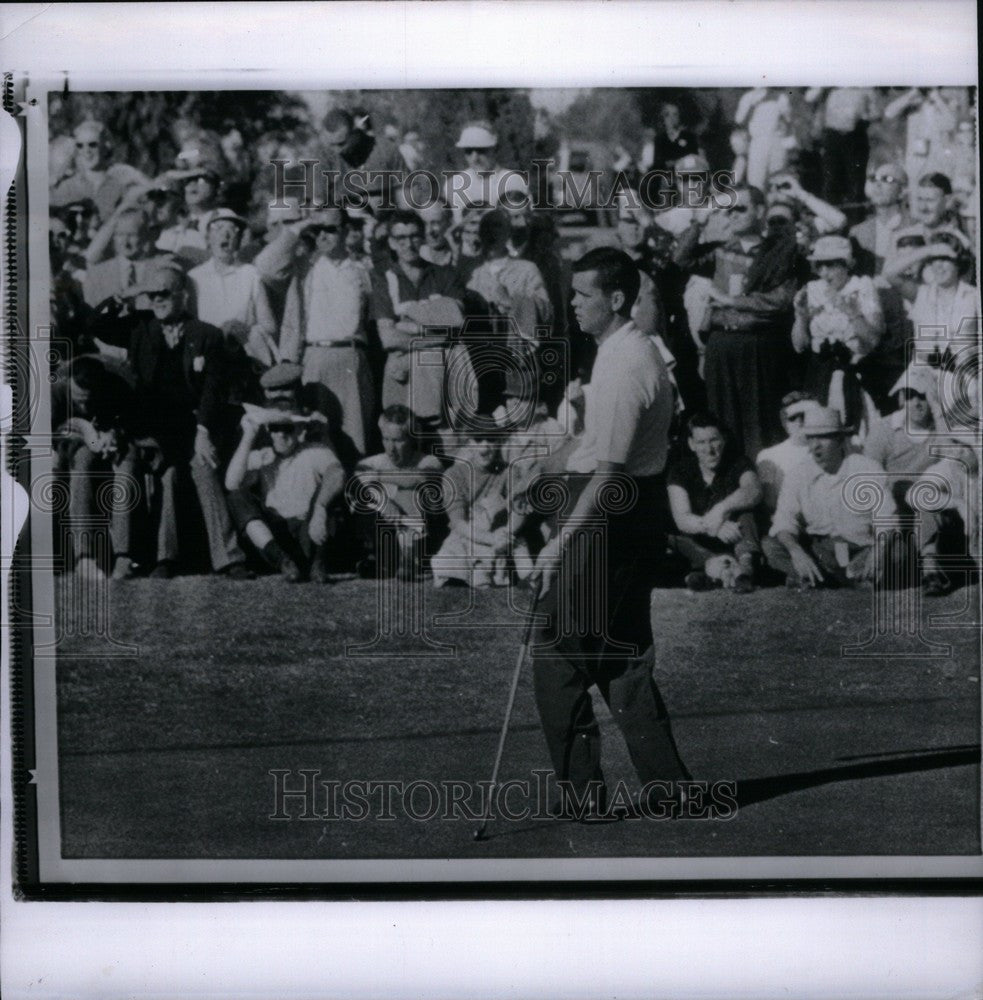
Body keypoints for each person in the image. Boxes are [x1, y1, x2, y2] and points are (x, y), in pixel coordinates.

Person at [532, 247, 690, 821]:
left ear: (615, 300)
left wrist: (558, 543)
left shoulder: (625, 364)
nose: (572, 304)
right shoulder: (620, 351)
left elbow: (609, 474)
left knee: (557, 652)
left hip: (610, 516)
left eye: (582, 295)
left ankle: (583, 797)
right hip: (627, 512)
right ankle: (671, 790)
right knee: (620, 653)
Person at [127, 261, 251, 579]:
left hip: (196, 425)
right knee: (167, 475)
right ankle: (165, 558)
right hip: (159, 430)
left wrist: (203, 431)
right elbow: (97, 325)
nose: (157, 299)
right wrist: (129, 292)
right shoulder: (142, 332)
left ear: (183, 295)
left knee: (203, 465)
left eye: (164, 292)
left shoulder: (206, 335)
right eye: (151, 293)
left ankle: (229, 557)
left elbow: (212, 390)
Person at [676, 184, 799, 459]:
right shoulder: (719, 251)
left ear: (760, 211)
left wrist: (732, 301)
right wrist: (700, 219)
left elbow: (780, 300)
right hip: (722, 346)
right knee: (723, 425)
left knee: (761, 426)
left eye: (740, 208)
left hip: (758, 347)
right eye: (729, 209)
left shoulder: (780, 252)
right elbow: (681, 258)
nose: (733, 215)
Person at [762, 406, 897, 589]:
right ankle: (839, 577)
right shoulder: (798, 474)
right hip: (821, 551)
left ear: (840, 440)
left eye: (823, 437)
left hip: (861, 548)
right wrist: (796, 552)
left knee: (898, 551)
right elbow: (784, 520)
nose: (815, 446)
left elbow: (887, 519)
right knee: (772, 546)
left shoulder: (867, 469)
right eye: (810, 438)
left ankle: (823, 579)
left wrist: (879, 550)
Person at [278, 207, 376, 457]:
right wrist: (302, 225)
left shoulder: (362, 270)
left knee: (356, 441)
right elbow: (267, 265)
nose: (322, 236)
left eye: (330, 229)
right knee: (316, 439)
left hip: (352, 358)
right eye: (317, 230)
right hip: (315, 358)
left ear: (344, 231)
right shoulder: (304, 268)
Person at [224, 397, 344, 584]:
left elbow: (337, 474)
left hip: (308, 528)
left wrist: (320, 509)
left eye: (286, 428)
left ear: (298, 429)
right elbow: (231, 484)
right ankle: (283, 562)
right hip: (276, 536)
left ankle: (318, 565)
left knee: (327, 492)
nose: (280, 435)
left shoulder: (314, 451)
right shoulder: (262, 456)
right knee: (237, 497)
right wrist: (248, 436)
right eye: (274, 428)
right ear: (268, 431)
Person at [370, 210, 469, 428]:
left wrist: (408, 325)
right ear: (391, 243)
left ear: (423, 237)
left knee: (446, 440)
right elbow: (389, 338)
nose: (409, 244)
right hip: (402, 377)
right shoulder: (384, 279)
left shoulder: (445, 275)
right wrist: (439, 335)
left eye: (414, 236)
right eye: (401, 238)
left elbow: (455, 320)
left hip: (443, 375)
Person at [50, 356, 140, 579]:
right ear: (69, 382)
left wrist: (114, 434)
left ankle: (123, 555)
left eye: (89, 401)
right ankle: (85, 557)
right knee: (82, 464)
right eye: (78, 400)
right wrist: (81, 430)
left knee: (127, 463)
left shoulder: (118, 384)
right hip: (72, 443)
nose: (83, 406)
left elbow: (131, 418)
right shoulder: (55, 388)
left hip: (111, 437)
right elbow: (45, 432)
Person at [791, 234, 884, 437]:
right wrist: (800, 318)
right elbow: (799, 346)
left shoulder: (863, 286)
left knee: (858, 434)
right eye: (819, 266)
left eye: (830, 265)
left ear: (847, 264)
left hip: (856, 374)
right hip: (820, 375)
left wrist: (851, 312)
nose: (824, 273)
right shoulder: (811, 290)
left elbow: (873, 339)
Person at [666, 412, 764, 592]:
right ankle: (718, 571)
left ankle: (744, 569)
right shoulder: (680, 470)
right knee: (676, 539)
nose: (709, 449)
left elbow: (754, 490)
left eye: (713, 440)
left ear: (723, 439)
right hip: (703, 540)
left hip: (736, 538)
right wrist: (714, 526)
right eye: (701, 442)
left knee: (746, 513)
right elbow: (682, 519)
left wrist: (721, 509)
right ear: (691, 445)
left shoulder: (738, 462)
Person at [351, 405, 445, 581]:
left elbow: (417, 477)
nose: (391, 448)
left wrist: (378, 476)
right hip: (385, 528)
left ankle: (410, 558)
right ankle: (388, 559)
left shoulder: (429, 461)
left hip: (422, 534)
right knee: (369, 498)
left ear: (412, 439)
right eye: (386, 439)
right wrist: (384, 503)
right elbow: (361, 482)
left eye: (398, 440)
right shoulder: (371, 462)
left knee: (413, 492)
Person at [187, 208, 279, 367]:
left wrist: (246, 329)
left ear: (239, 239)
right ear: (208, 238)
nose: (226, 235)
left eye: (232, 230)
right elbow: (188, 325)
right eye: (218, 229)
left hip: (245, 359)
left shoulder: (251, 274)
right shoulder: (194, 277)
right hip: (208, 360)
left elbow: (269, 325)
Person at [430, 431, 515, 589]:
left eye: (491, 439)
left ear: (500, 442)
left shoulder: (508, 472)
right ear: (469, 442)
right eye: (477, 439)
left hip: (497, 536)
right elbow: (458, 523)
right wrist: (490, 538)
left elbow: (518, 509)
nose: (484, 447)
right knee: (448, 565)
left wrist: (503, 533)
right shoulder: (454, 474)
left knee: (485, 578)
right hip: (467, 535)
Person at [863, 364, 939, 509]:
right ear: (902, 399)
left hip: (933, 502)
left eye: (922, 396)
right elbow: (869, 476)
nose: (916, 403)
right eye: (910, 396)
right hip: (893, 504)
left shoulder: (940, 427)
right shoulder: (884, 429)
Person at [50, 120, 149, 224]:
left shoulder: (123, 177)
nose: (86, 151)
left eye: (92, 145)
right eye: (80, 146)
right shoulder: (68, 187)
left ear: (105, 146)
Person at [804, 87, 879, 214]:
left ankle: (856, 220)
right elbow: (809, 97)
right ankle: (830, 218)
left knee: (856, 182)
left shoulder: (865, 86)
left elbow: (877, 113)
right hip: (832, 136)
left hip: (856, 136)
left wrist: (865, 115)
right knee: (831, 180)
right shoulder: (829, 85)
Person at [443, 122, 529, 223]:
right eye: (469, 151)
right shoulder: (454, 184)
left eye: (481, 150)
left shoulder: (513, 181)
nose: (475, 158)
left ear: (495, 149)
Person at [755, 391, 822, 512]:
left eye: (806, 415)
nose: (800, 421)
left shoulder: (831, 450)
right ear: (784, 422)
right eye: (793, 417)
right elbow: (770, 503)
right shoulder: (769, 456)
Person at [849, 162, 911, 276]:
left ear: (902, 191)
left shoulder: (914, 228)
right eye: (874, 179)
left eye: (886, 179)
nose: (877, 184)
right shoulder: (858, 232)